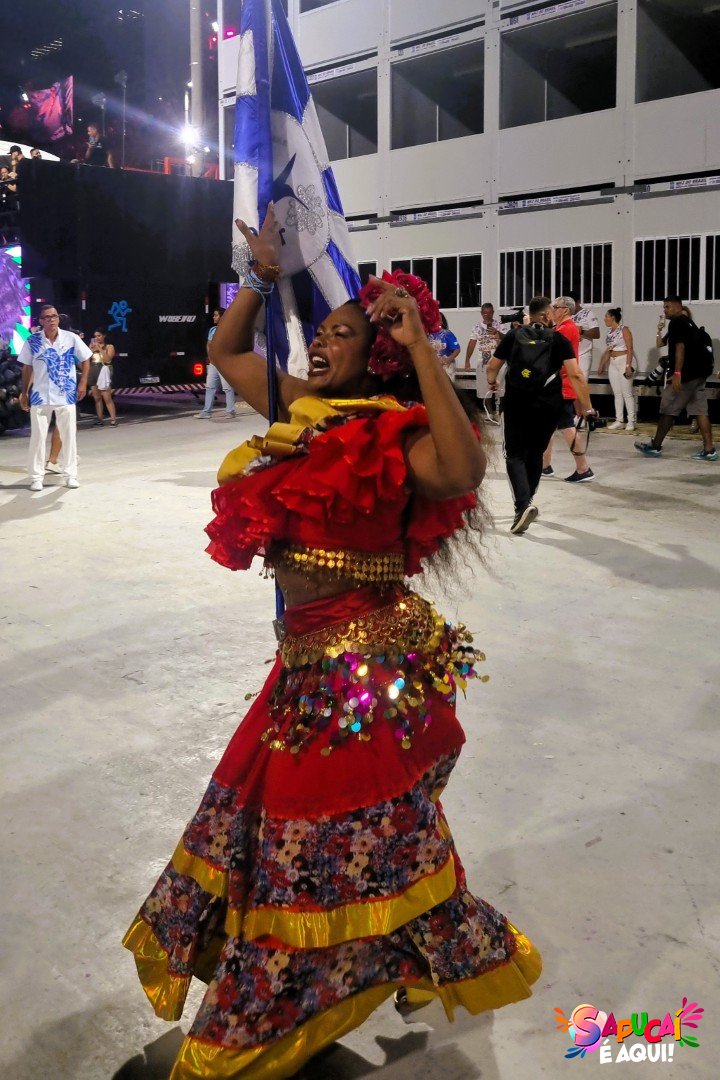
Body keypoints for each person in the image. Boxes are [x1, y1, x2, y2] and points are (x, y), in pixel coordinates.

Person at [123, 207, 541, 1079]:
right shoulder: (302, 412)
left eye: (341, 334)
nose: (320, 341)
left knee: (319, 841)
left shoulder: (396, 431)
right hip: (303, 667)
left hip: (366, 674)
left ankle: (289, 1002)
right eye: (318, 331)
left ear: (378, 353)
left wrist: (423, 348)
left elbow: (464, 472)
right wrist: (259, 279)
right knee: (284, 827)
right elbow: (225, 351)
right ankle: (378, 960)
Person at [487, 295, 595, 534]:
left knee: (514, 454)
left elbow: (493, 366)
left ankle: (522, 505)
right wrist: (587, 407)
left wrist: (492, 382)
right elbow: (576, 375)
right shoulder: (558, 339)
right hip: (548, 405)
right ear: (546, 315)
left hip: (516, 403)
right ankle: (528, 500)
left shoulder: (514, 336)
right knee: (535, 452)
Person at [18, 304, 91, 489]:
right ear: (41, 321)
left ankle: (71, 475)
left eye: (55, 316)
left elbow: (85, 359)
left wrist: (83, 383)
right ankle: (36, 477)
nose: (52, 319)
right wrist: (24, 392)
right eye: (47, 317)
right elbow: (27, 367)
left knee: (69, 436)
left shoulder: (71, 338)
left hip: (65, 395)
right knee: (37, 437)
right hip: (40, 396)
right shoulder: (33, 341)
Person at [636, 295, 717, 461]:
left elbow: (680, 348)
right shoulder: (689, 324)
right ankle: (709, 450)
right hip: (699, 375)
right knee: (700, 411)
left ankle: (655, 446)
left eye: (667, 307)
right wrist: (659, 330)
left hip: (686, 376)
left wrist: (678, 373)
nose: (664, 310)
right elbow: (662, 344)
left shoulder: (677, 323)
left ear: (677, 306)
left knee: (668, 409)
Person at [542, 296, 595, 482]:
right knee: (548, 426)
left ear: (565, 310)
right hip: (559, 384)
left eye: (555, 307)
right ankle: (545, 465)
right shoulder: (563, 328)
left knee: (567, 427)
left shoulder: (566, 329)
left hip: (562, 385)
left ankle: (583, 468)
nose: (552, 310)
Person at [597, 308, 636, 432]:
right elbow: (609, 350)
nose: (604, 319)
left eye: (606, 316)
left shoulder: (624, 329)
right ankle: (619, 420)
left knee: (627, 393)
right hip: (613, 363)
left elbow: (630, 348)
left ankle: (631, 421)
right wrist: (602, 364)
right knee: (617, 393)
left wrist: (628, 365)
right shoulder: (609, 332)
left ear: (612, 317)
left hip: (623, 361)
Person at [196, 307, 236, 418]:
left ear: (222, 317)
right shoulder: (212, 330)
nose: (214, 317)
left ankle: (230, 411)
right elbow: (208, 344)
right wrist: (210, 357)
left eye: (216, 315)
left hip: (224, 363)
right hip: (213, 363)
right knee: (210, 387)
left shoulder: (229, 330)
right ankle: (207, 412)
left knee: (227, 388)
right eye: (214, 315)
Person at [463, 302, 505, 398]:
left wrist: (497, 333)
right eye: (485, 313)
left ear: (493, 313)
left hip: (498, 362)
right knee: (485, 391)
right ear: (481, 313)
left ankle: (500, 407)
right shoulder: (476, 327)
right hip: (483, 363)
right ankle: (488, 408)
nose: (487, 315)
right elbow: (471, 344)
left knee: (500, 389)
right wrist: (467, 361)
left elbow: (506, 339)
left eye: (489, 313)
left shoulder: (499, 325)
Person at [87, 329, 117, 425]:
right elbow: (86, 359)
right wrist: (90, 350)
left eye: (99, 335)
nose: (97, 338)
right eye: (95, 336)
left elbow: (107, 359)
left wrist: (99, 349)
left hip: (103, 369)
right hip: (93, 369)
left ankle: (113, 419)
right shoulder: (92, 346)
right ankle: (100, 419)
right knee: (97, 398)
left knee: (107, 396)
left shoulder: (109, 346)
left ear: (104, 336)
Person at [569, 292, 600, 379]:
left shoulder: (588, 313)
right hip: (569, 355)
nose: (570, 307)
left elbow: (597, 334)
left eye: (572, 304)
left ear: (578, 301)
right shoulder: (567, 315)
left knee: (581, 383)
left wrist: (582, 331)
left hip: (583, 355)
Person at [428, 312, 460, 379]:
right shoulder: (427, 335)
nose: (436, 321)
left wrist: (448, 359)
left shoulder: (447, 334)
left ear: (442, 321)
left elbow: (457, 349)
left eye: (438, 319)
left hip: (446, 367)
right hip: (432, 367)